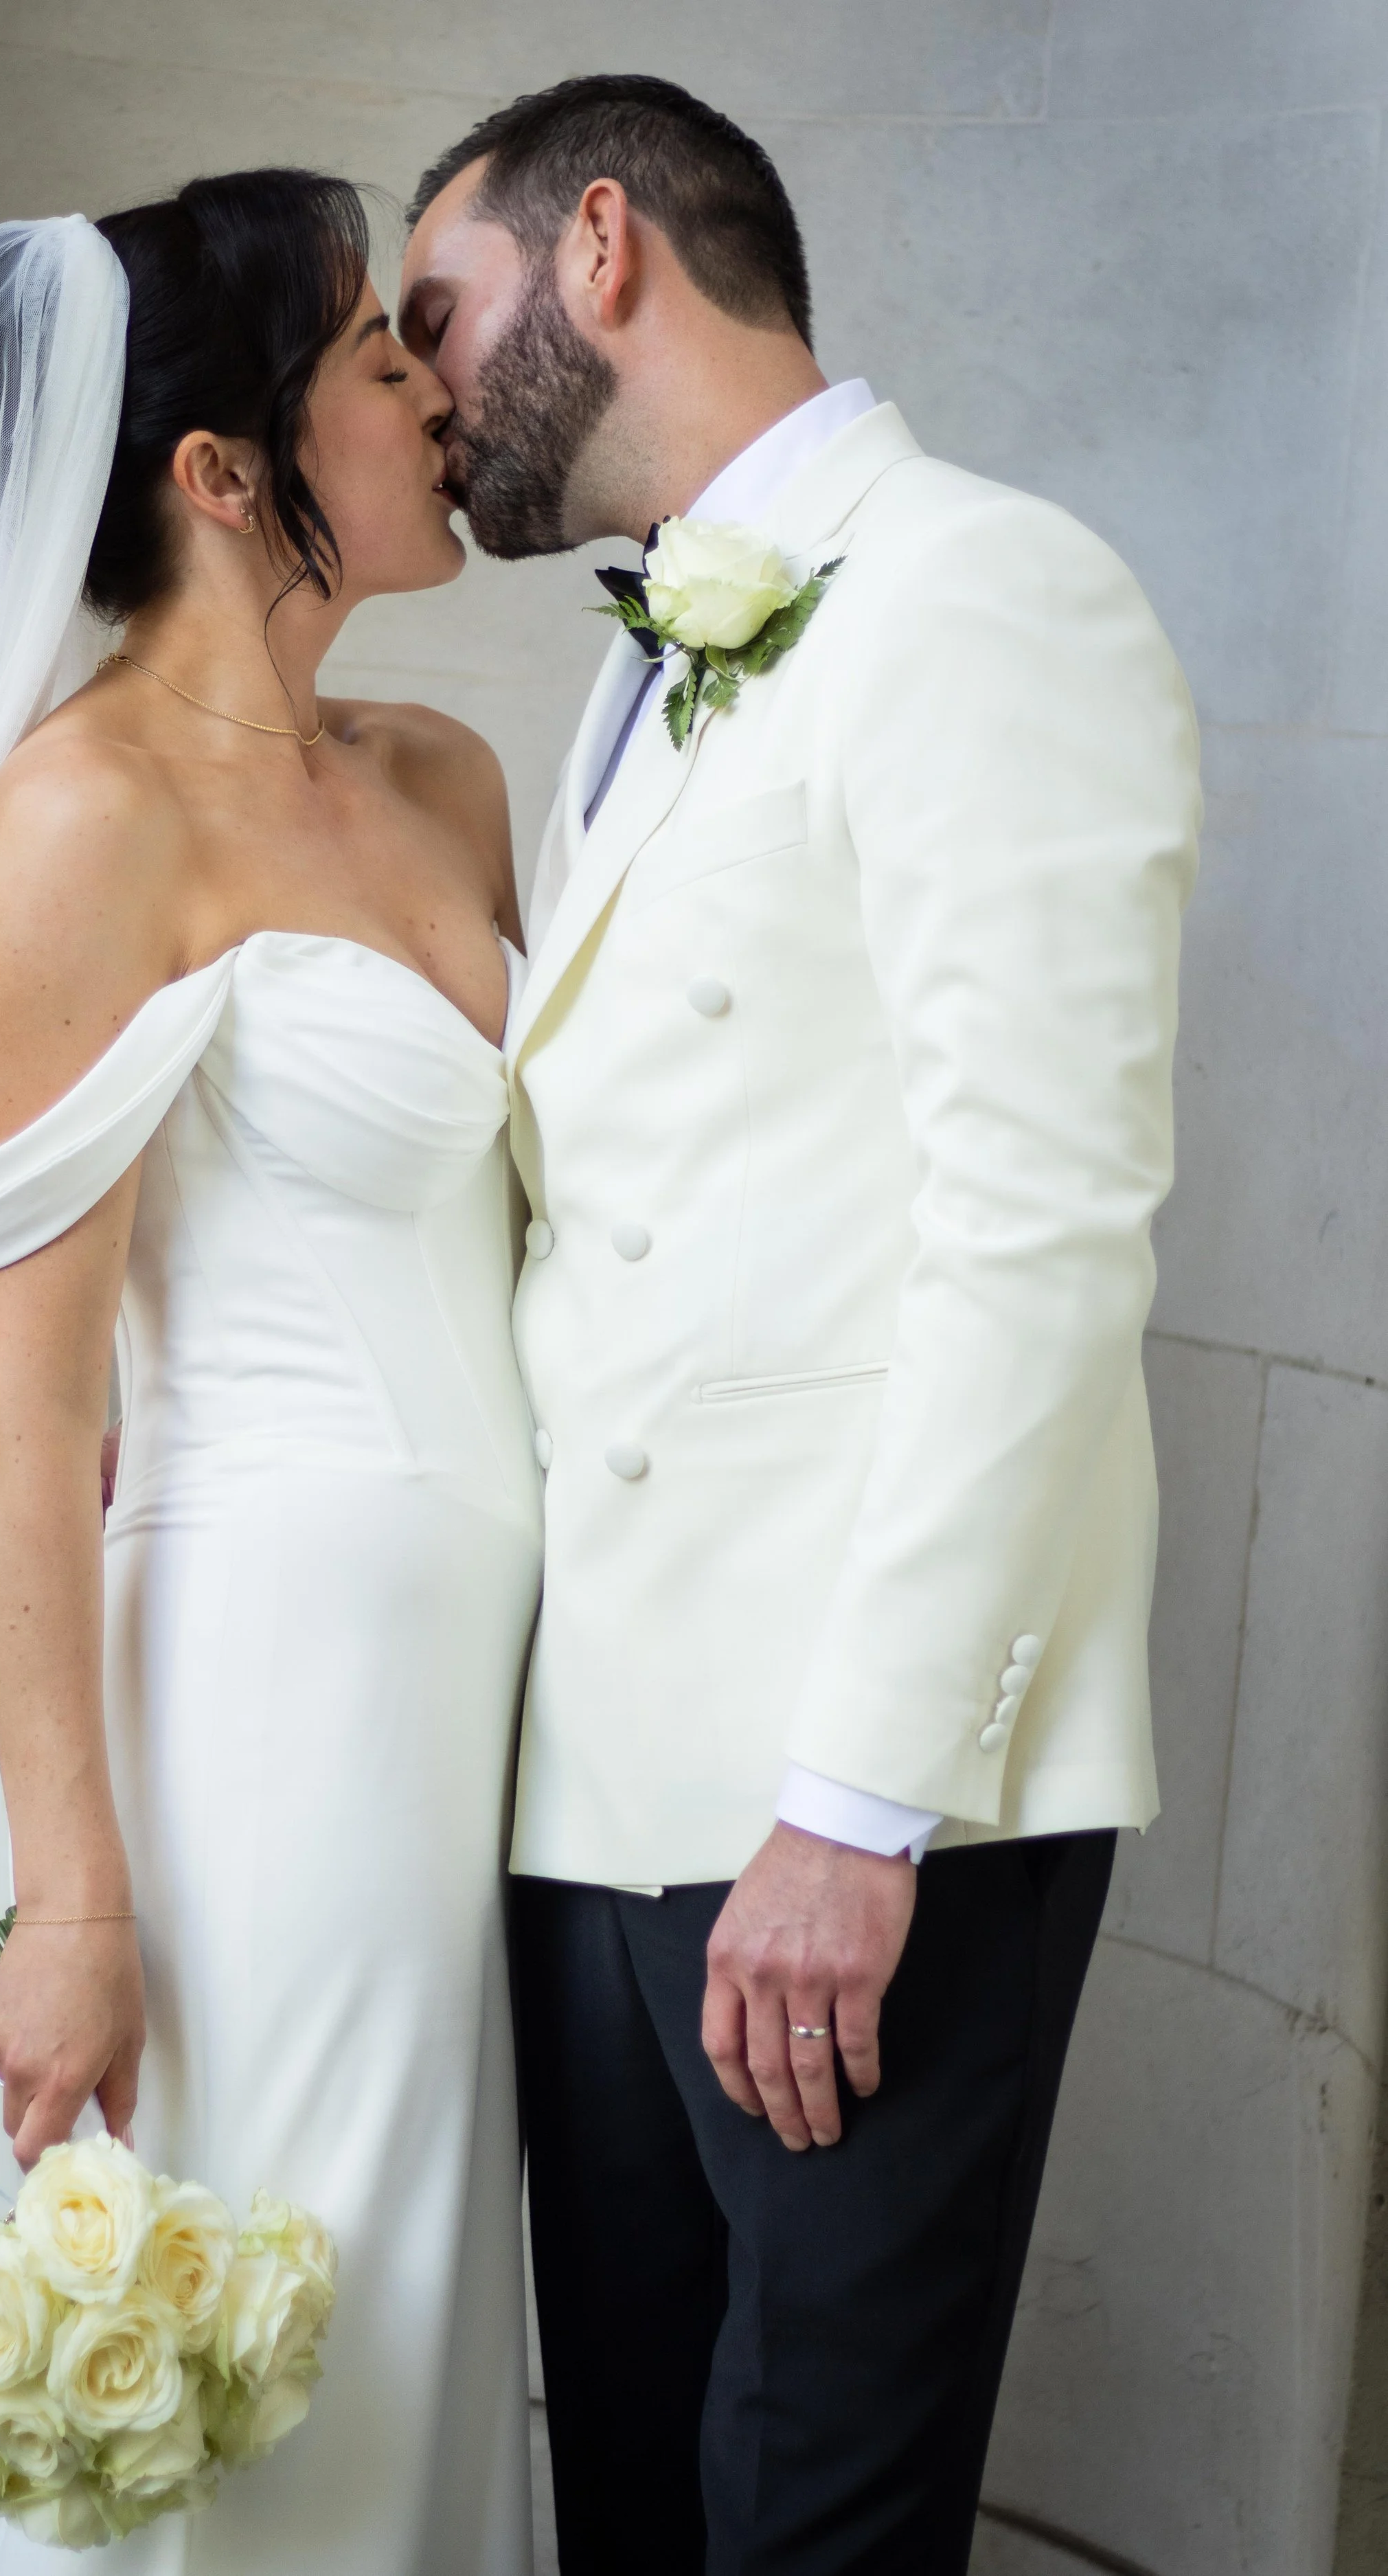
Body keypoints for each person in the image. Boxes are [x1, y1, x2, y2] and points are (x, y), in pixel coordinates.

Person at [400, 74, 1202, 2574]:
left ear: (600, 245)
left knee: (814, 2521)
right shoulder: (633, 664)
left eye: (440, 315)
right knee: (641, 2495)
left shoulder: (984, 586)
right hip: (602, 1789)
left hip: (849, 1802)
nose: (422, 393)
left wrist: (856, 1805)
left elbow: (1041, 1225)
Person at [0, 176, 541, 2576]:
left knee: (433, 2294)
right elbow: (27, 1415)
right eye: (377, 355)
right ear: (218, 472)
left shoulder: (443, 776)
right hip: (259, 1707)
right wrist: (69, 1894)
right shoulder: (80, 822)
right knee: (285, 2332)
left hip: (483, 1707)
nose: (436, 394)